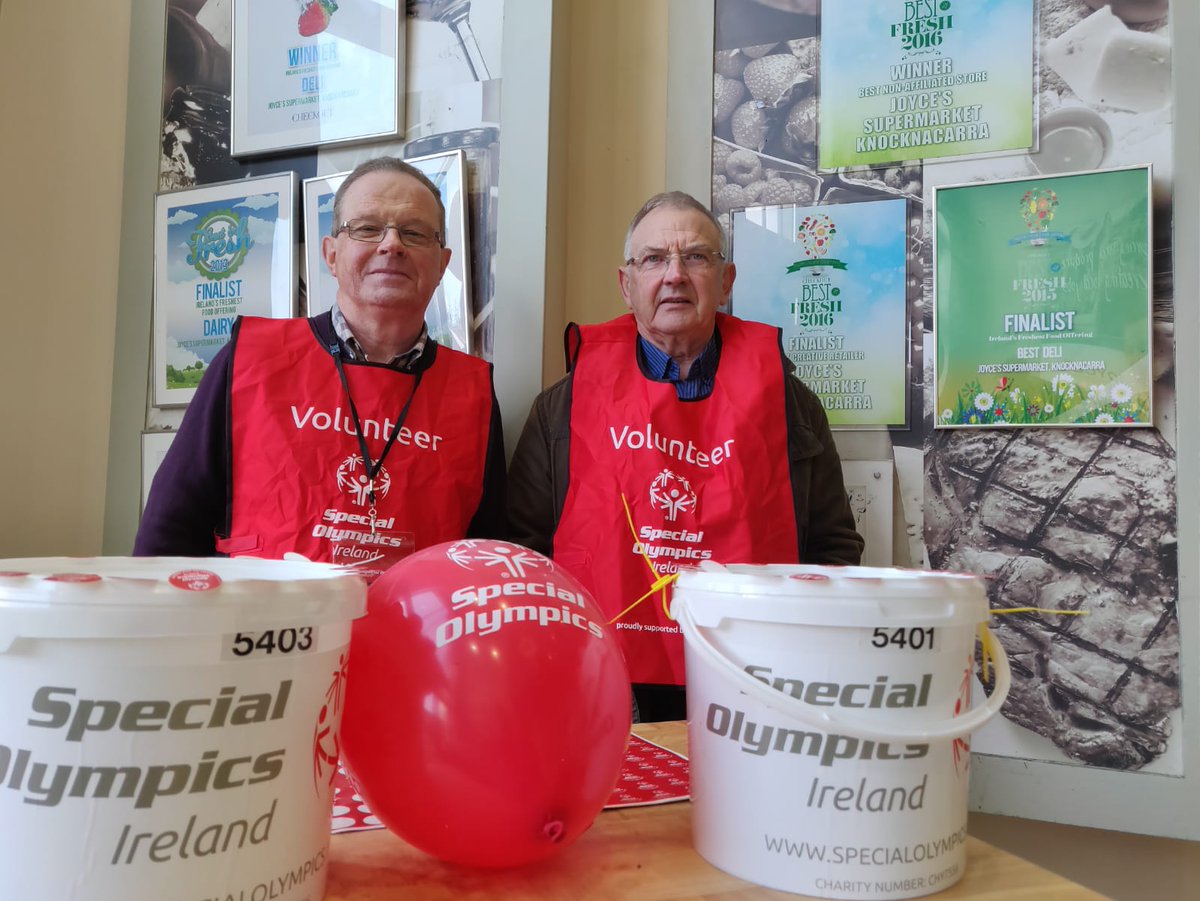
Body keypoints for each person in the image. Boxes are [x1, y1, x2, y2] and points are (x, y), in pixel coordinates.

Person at [507, 191, 862, 721]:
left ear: (727, 281)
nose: (674, 275)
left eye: (696, 257)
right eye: (654, 259)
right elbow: (521, 551)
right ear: (627, 285)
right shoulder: (563, 407)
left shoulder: (791, 405)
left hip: (753, 685)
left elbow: (834, 547)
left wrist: (795, 657)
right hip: (603, 689)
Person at [135, 157, 506, 574]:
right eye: (367, 228)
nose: (391, 244)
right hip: (259, 634)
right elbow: (166, 536)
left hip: (411, 636)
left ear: (441, 264)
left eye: (414, 232)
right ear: (331, 255)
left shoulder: (472, 395)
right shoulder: (248, 361)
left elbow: (486, 564)